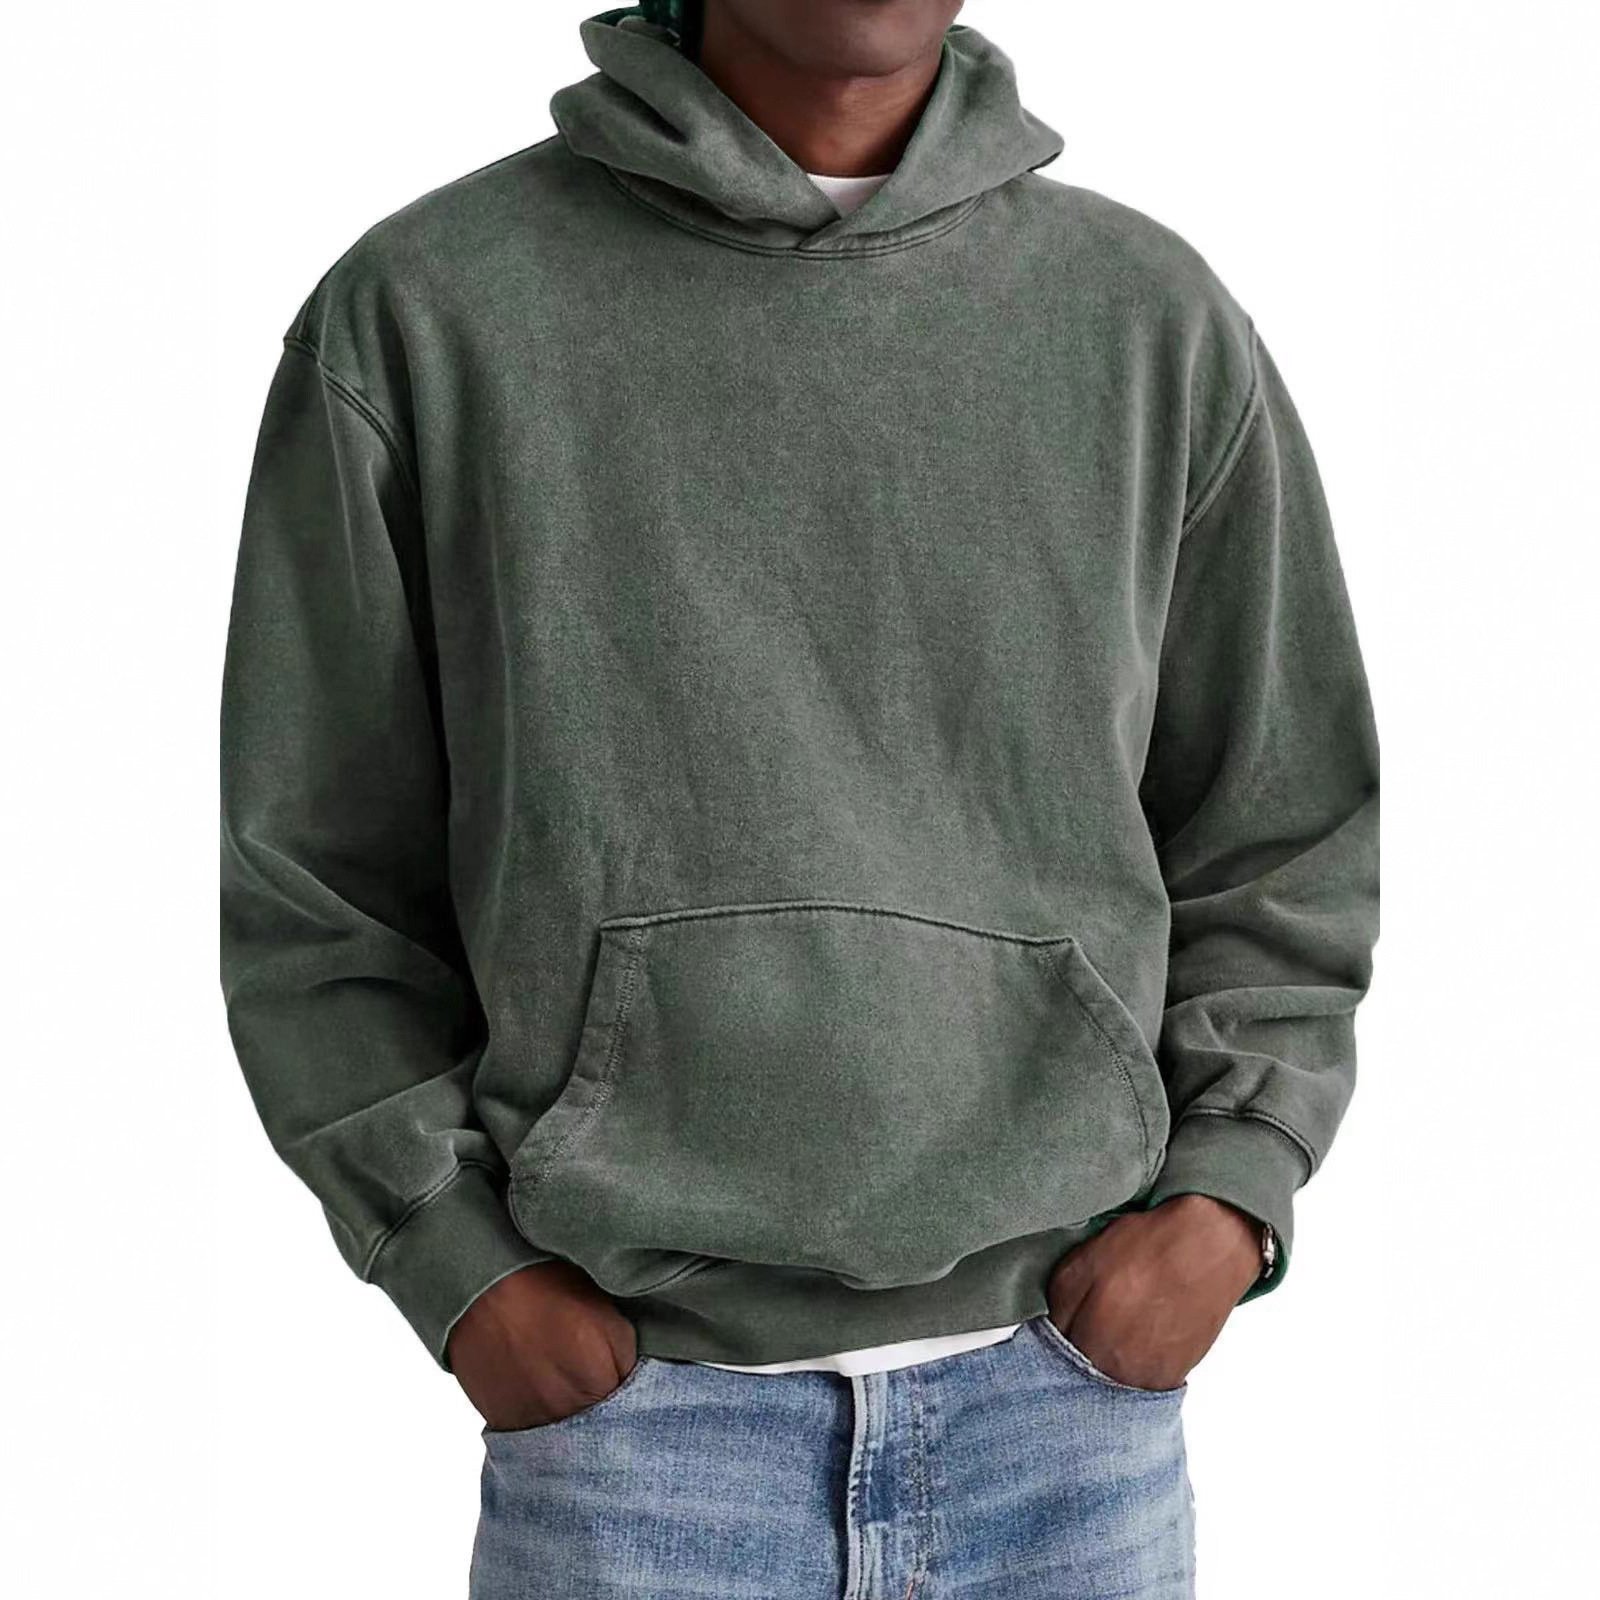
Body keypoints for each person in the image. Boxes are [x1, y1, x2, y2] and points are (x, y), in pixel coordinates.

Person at [219, 2, 1380, 1594]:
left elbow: (1282, 830)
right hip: (637, 1436)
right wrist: (454, 1263)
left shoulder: (1146, 316)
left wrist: (1229, 1198)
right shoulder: (428, 311)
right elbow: (317, 882)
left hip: (1066, 1419)